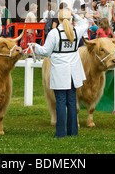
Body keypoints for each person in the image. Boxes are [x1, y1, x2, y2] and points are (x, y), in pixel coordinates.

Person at [32, 8, 88, 138]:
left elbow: (46, 51)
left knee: (61, 101)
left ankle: (61, 133)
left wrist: (35, 46)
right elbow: (85, 24)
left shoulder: (54, 33)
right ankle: (73, 132)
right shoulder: (76, 31)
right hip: (73, 71)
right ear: (70, 19)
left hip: (60, 70)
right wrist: (75, 15)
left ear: (59, 19)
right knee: (72, 101)